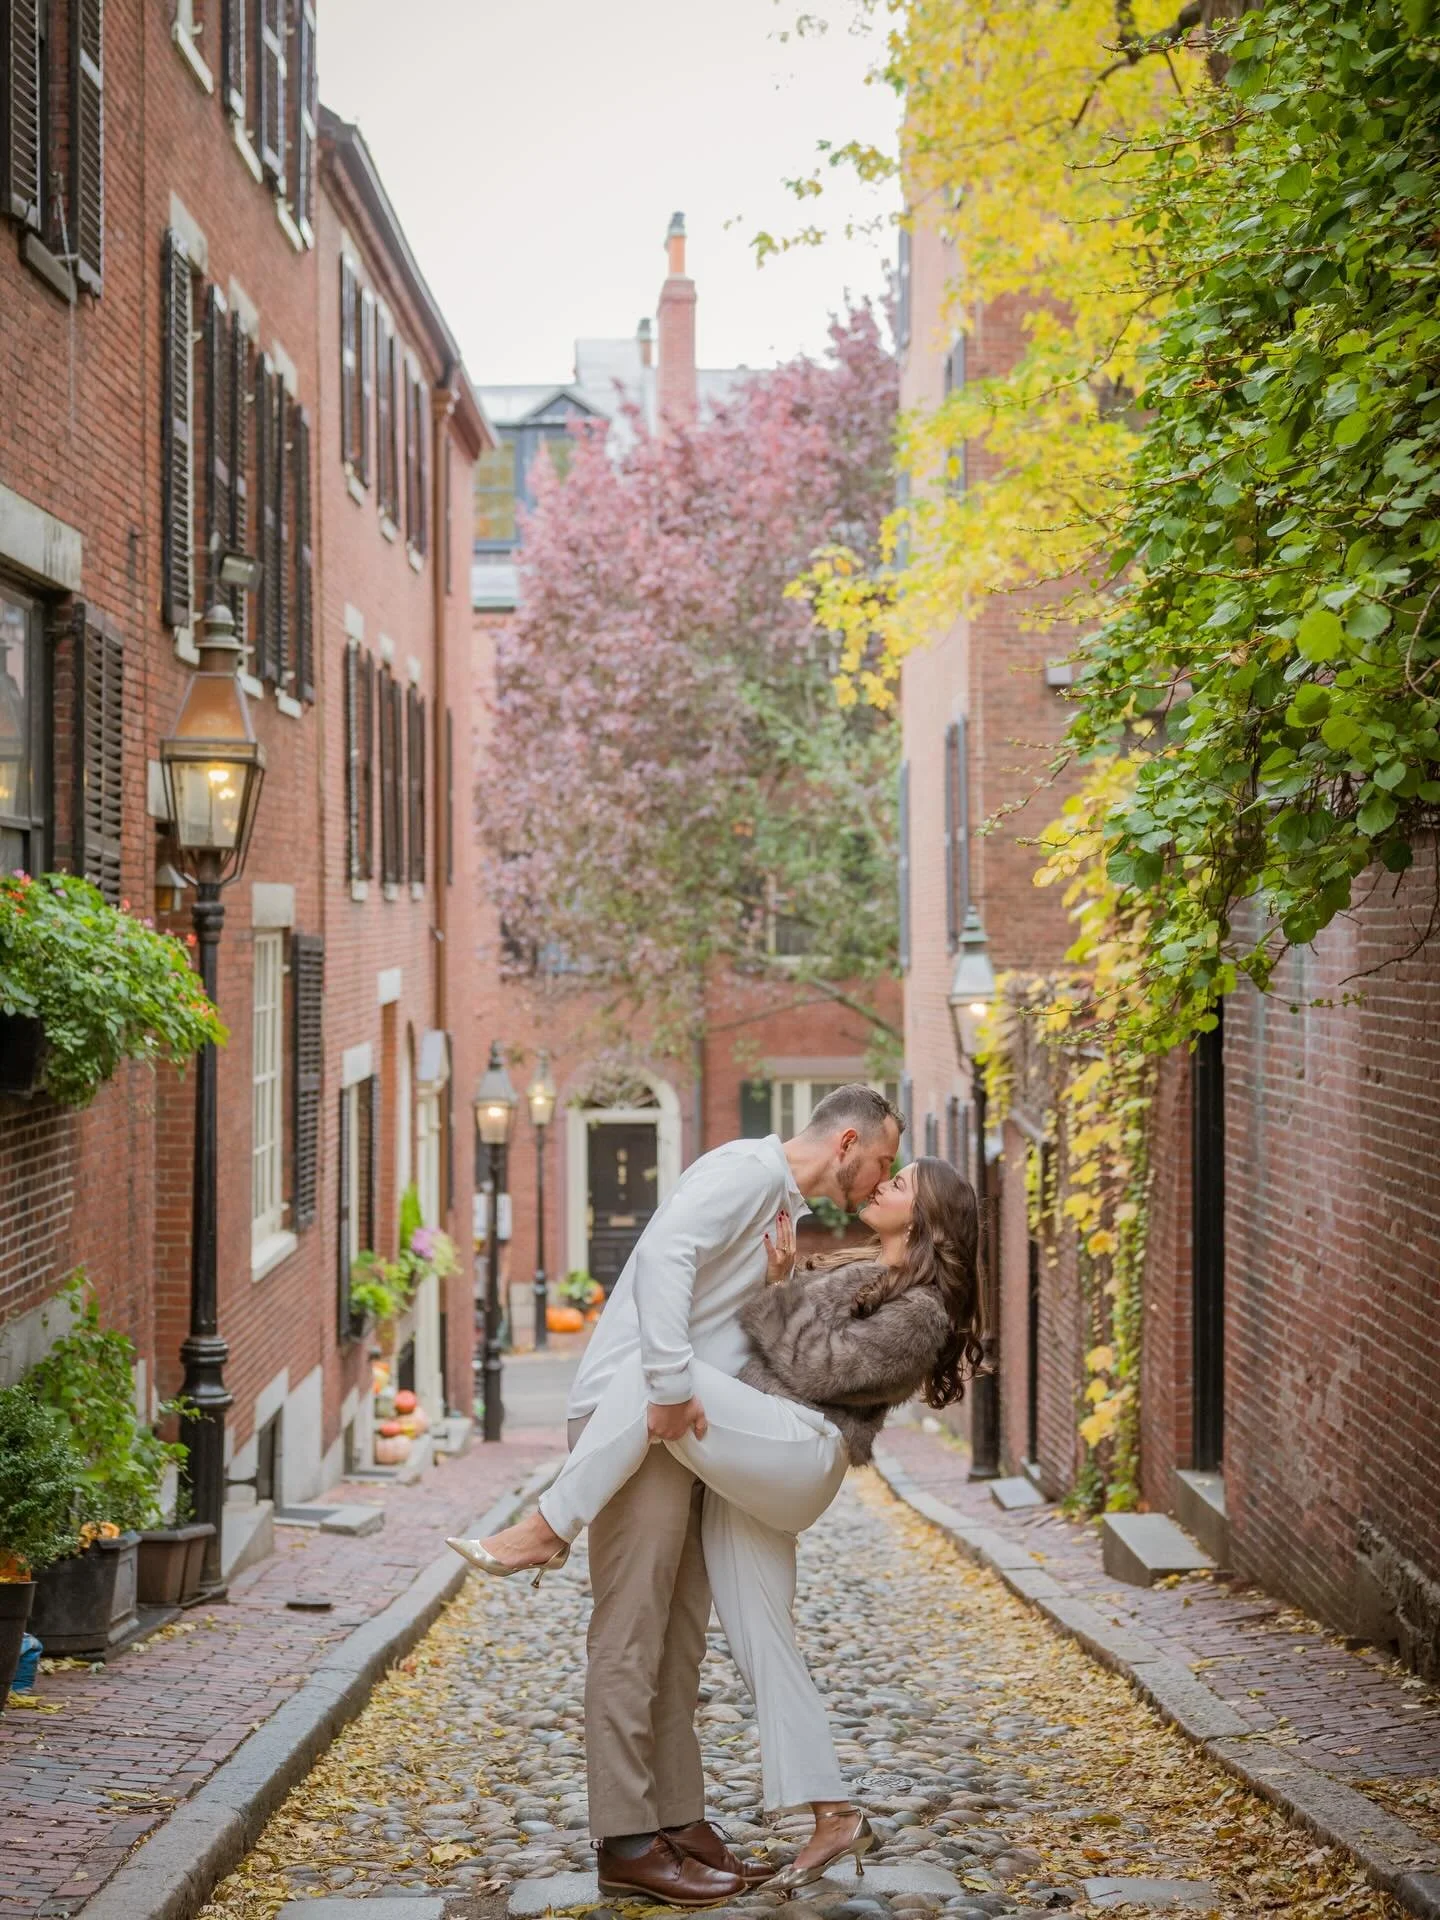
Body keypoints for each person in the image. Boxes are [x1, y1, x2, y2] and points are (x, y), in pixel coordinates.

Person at [451, 1109, 982, 1902]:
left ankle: (549, 1526)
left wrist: (767, 1299)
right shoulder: (778, 1201)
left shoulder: (918, 1306)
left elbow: (814, 1366)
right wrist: (761, 1307)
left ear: (927, 1220)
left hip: (786, 1449)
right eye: (886, 1163)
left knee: (656, 1382)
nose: (882, 1181)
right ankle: (772, 1818)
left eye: (898, 1178)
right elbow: (685, 1272)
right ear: (847, 1143)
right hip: (723, 1441)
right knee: (734, 1637)